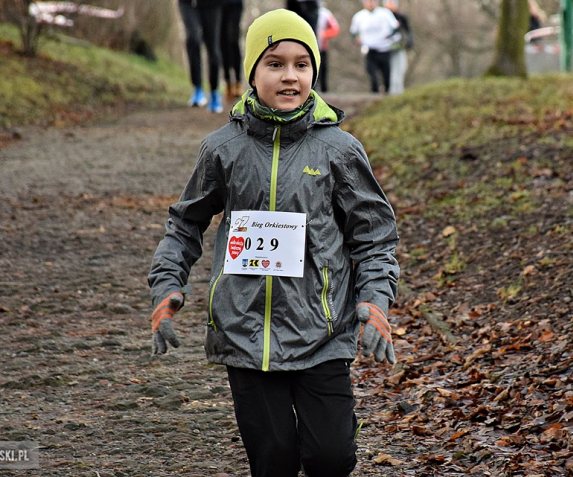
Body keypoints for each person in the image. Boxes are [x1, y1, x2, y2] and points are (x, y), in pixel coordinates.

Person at [148, 8, 400, 477]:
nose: (290, 76)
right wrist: (167, 287)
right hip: (243, 332)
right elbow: (185, 224)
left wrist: (376, 300)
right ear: (251, 72)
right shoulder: (223, 148)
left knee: (332, 457)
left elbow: (374, 235)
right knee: (275, 461)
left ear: (314, 72)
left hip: (321, 332)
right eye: (275, 63)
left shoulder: (339, 150)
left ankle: (337, 429)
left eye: (302, 65)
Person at [178, 0, 226, 113]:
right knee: (193, 40)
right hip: (187, 3)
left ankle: (214, 92)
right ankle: (197, 88)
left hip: (212, 4)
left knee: (213, 48)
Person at [350, 0, 400, 94]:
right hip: (369, 49)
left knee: (386, 74)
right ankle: (374, 94)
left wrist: (389, 37)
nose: (370, 3)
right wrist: (357, 39)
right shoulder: (359, 16)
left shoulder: (385, 13)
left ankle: (387, 92)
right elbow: (353, 32)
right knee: (372, 74)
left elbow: (395, 27)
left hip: (384, 48)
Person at [382, 0, 413, 95]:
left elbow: (408, 31)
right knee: (387, 74)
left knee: (398, 72)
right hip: (383, 50)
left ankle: (398, 93)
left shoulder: (401, 17)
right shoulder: (380, 17)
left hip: (398, 48)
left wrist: (409, 42)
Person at [220, 0, 244, 102]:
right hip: (218, 5)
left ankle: (238, 81)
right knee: (222, 43)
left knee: (233, 40)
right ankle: (228, 82)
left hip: (235, 4)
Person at [315, 3, 340, 93]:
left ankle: (324, 92)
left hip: (322, 47)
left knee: (323, 70)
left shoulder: (325, 13)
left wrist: (324, 34)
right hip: (309, 48)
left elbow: (335, 29)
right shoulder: (304, 12)